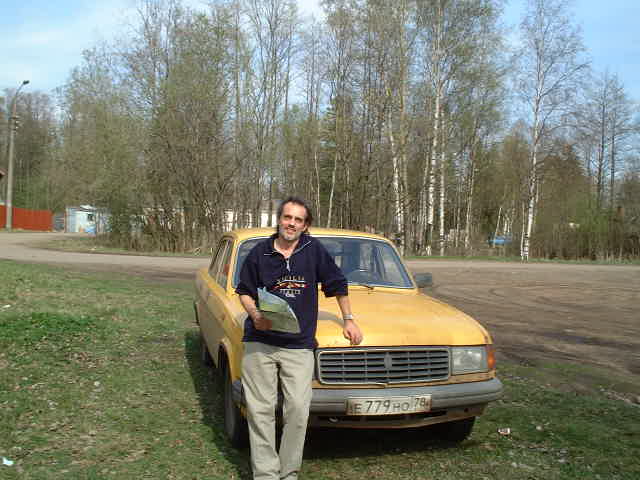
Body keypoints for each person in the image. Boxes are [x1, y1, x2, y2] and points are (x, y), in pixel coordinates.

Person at [235, 196, 363, 480]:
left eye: (298, 220)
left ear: (306, 225)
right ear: (279, 219)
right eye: (287, 217)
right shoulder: (260, 252)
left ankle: (288, 472)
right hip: (260, 341)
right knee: (260, 410)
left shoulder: (313, 250)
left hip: (299, 345)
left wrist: (349, 320)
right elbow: (244, 290)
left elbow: (337, 283)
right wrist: (255, 315)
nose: (291, 223)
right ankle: (266, 473)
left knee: (297, 410)